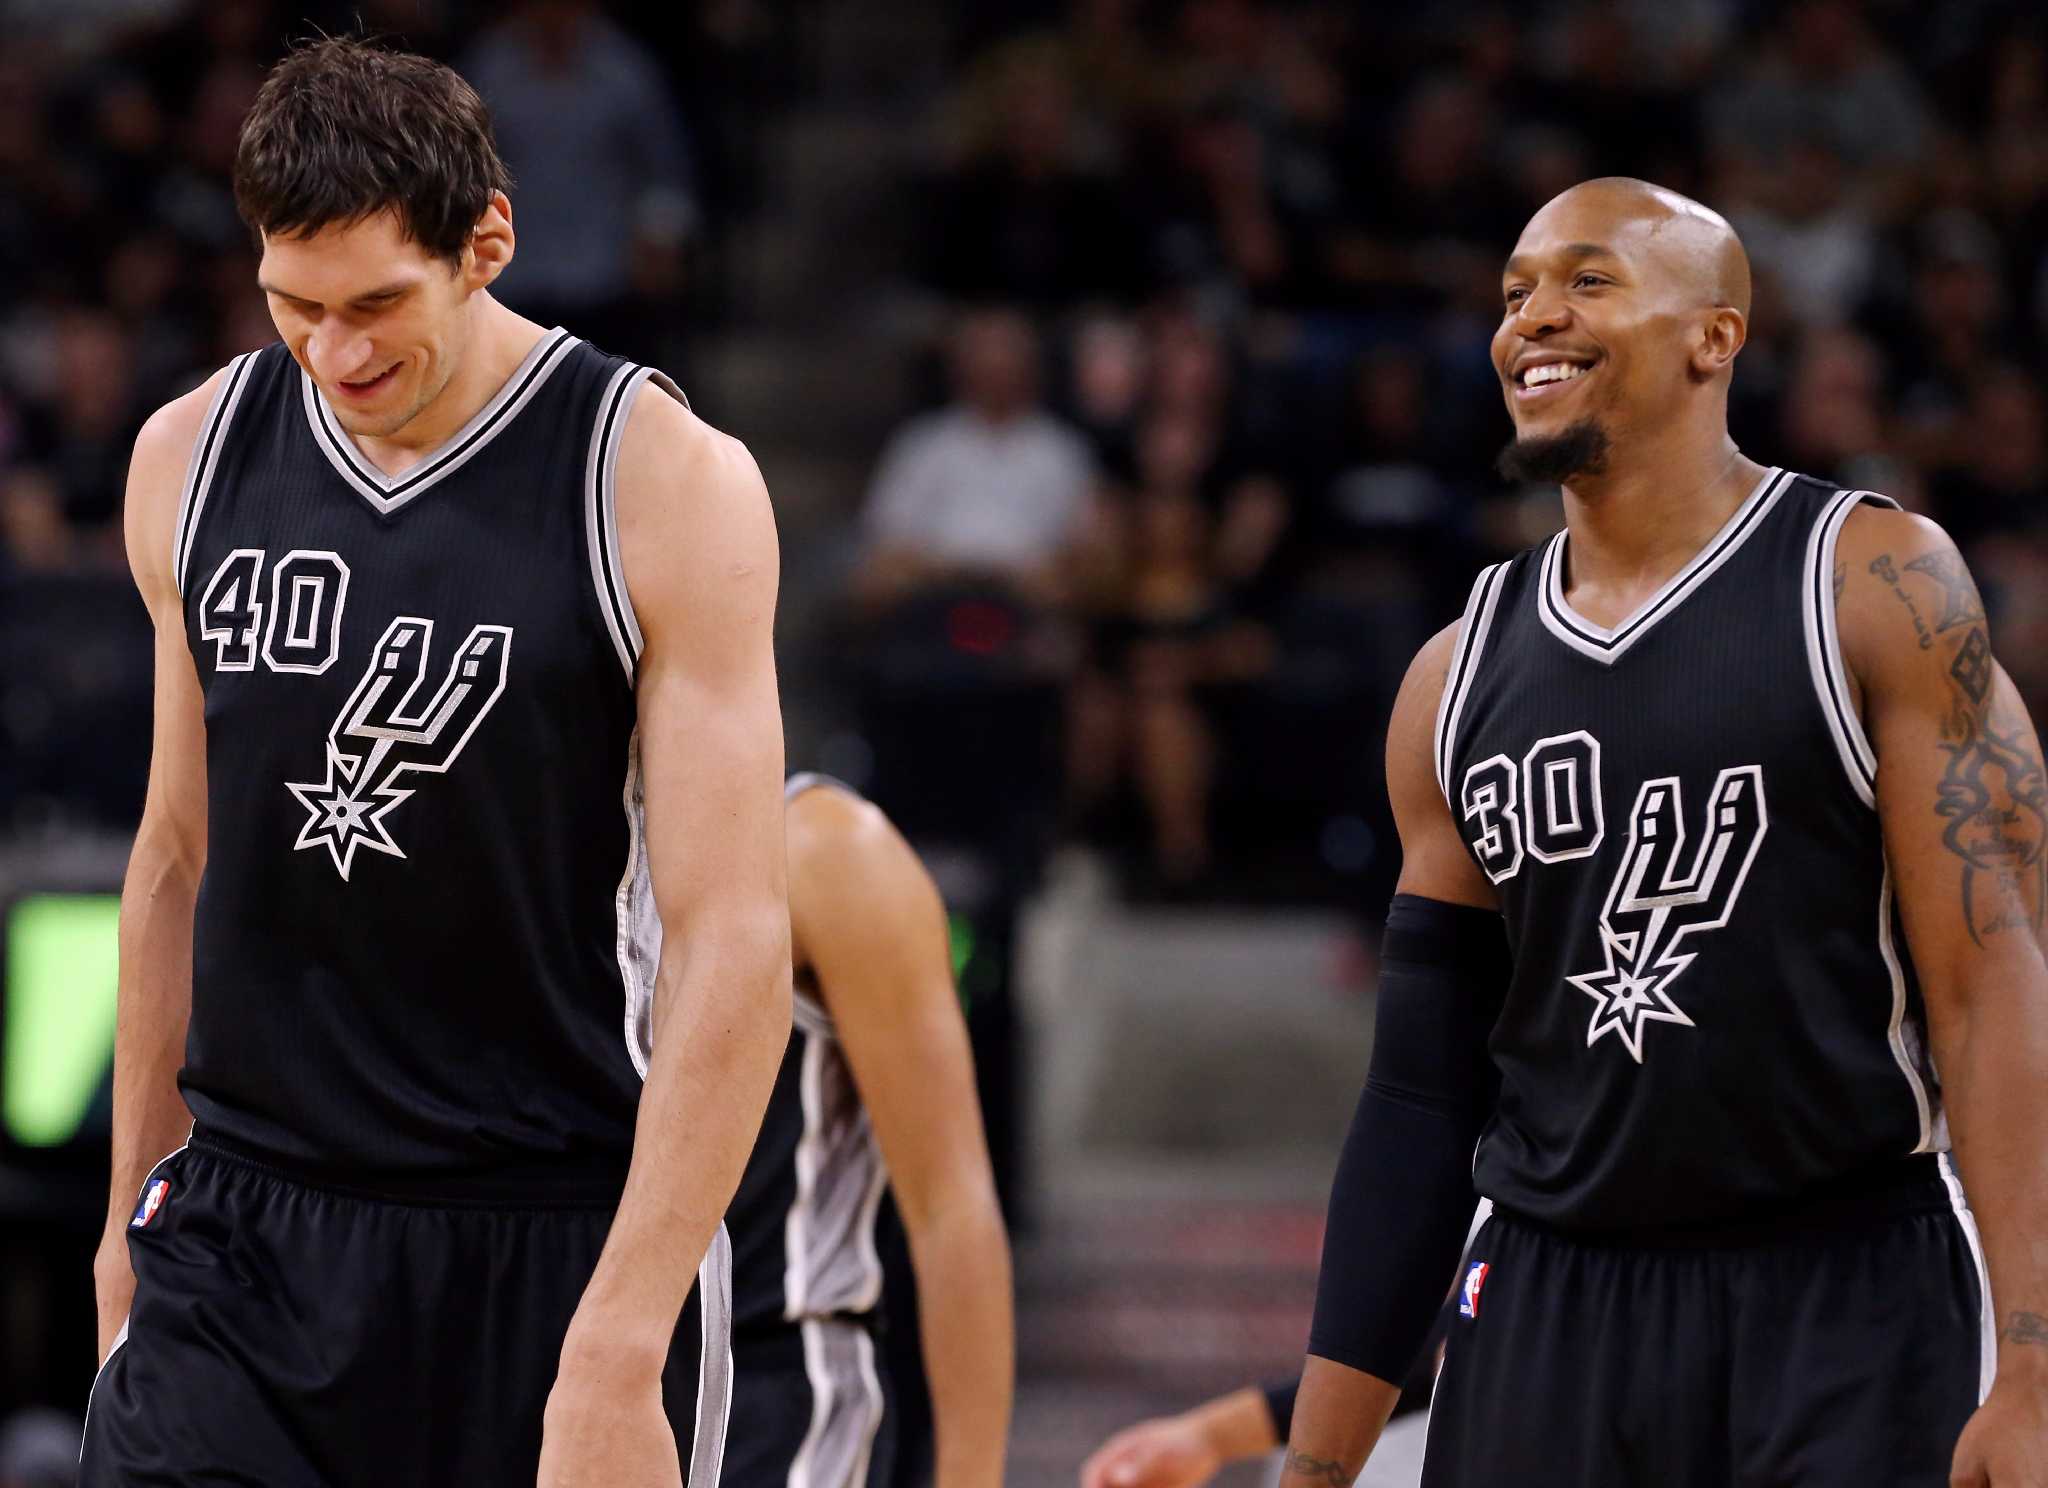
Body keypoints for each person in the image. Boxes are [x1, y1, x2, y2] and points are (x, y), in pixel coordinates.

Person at [83, 38, 790, 1488]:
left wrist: (622, 1336)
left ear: (488, 243)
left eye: (375, 305)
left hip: (549, 1224)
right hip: (244, 1225)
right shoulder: (191, 460)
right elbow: (173, 859)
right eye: (295, 308)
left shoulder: (659, 477)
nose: (335, 355)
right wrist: (124, 1223)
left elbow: (733, 935)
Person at [1283, 178, 2048, 1487]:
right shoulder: (1453, 677)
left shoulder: (1873, 584)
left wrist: (2034, 1366)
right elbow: (1419, 1097)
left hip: (1842, 1286)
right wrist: (1314, 1466)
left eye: (1588, 281)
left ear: (1715, 337)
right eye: (1515, 291)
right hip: (1547, 1294)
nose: (1533, 319)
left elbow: (1991, 989)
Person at [722, 773, 1013, 1487]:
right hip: (570, 1370)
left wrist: (969, 1474)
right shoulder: (549, 846)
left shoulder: (831, 851)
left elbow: (952, 1207)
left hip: (773, 1387)